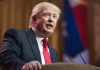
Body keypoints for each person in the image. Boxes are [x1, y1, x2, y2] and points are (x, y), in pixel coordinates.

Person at [0, 2, 61, 70]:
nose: (51, 19)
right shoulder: (17, 35)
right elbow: (6, 57)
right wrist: (24, 66)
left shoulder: (53, 52)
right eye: (46, 15)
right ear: (34, 19)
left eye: (54, 16)